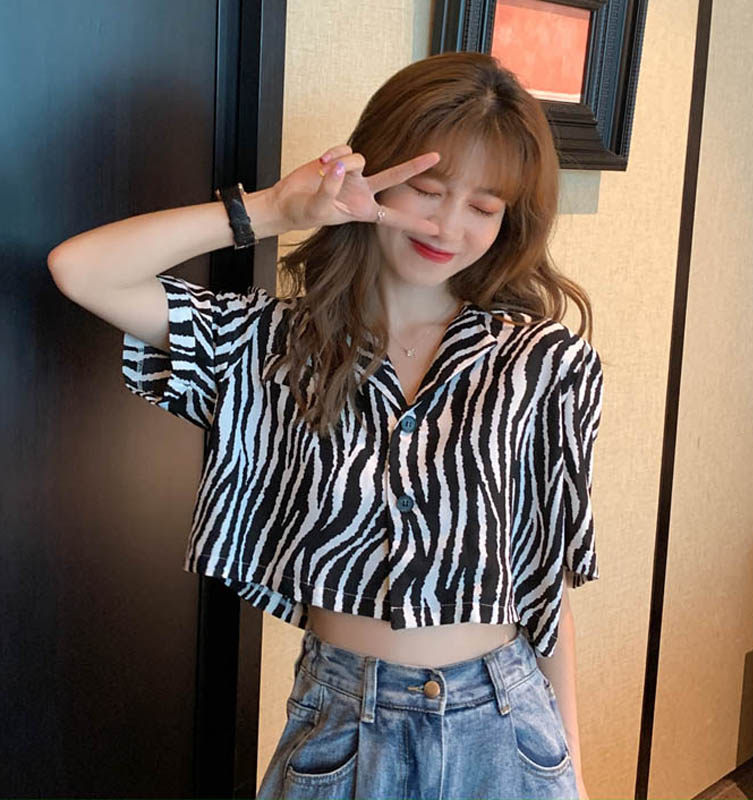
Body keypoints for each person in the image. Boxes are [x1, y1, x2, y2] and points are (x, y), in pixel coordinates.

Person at [48, 50, 603, 800]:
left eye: (484, 207)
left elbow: (544, 591)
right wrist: (274, 210)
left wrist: (572, 771)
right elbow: (82, 270)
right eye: (428, 190)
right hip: (343, 725)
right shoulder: (276, 346)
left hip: (507, 732)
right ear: (376, 174)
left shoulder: (543, 363)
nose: (447, 224)